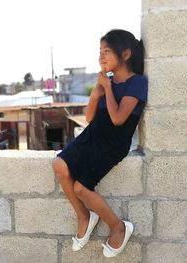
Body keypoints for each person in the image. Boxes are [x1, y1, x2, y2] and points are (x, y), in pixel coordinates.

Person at [52, 29, 147, 257]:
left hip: (112, 143)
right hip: (92, 135)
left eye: (106, 51)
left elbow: (117, 119)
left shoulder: (138, 83)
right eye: (99, 52)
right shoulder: (108, 82)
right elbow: (89, 117)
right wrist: (96, 93)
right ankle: (85, 216)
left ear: (125, 54)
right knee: (59, 165)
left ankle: (119, 227)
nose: (101, 57)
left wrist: (107, 88)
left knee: (81, 188)